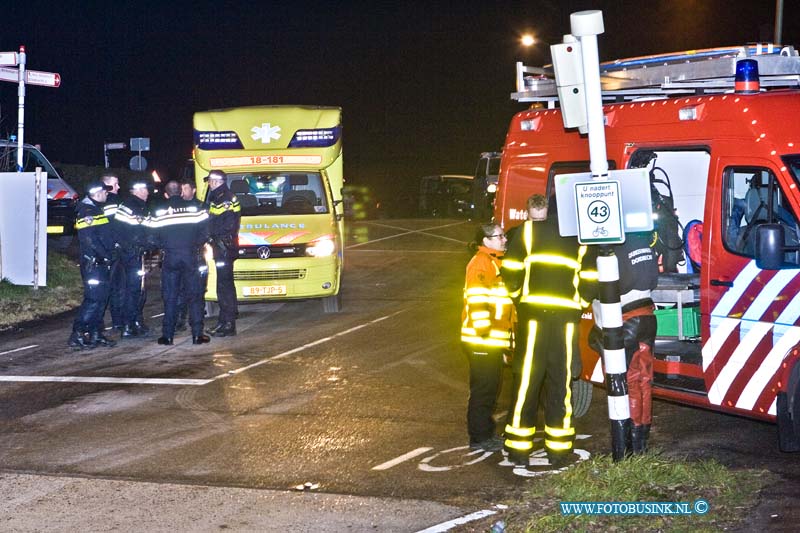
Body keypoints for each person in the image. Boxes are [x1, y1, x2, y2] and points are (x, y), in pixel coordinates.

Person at [501, 194, 597, 467]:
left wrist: (520, 297)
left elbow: (510, 270)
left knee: (527, 382)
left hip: (533, 318)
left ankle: (519, 449)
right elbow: (591, 277)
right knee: (561, 383)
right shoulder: (580, 237)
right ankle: (559, 449)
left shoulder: (526, 231)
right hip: (565, 320)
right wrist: (578, 304)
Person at [590, 232, 658, 453]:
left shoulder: (612, 248)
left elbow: (616, 286)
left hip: (625, 319)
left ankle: (627, 442)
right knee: (643, 381)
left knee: (625, 382)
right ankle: (641, 442)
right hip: (647, 317)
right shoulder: (643, 243)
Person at [461, 223, 514, 452]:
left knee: (491, 388)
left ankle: (485, 434)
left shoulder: (495, 261)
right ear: (485, 241)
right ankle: (480, 438)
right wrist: (484, 333)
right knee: (484, 389)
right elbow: (477, 299)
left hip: (491, 339)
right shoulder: (482, 263)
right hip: (481, 338)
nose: (504, 239)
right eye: (499, 236)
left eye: (503, 235)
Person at [149, 180, 210, 345]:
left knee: (170, 297)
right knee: (195, 296)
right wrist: (195, 245)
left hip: (170, 258)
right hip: (191, 256)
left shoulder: (159, 211)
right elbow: (206, 231)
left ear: (166, 194)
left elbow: (152, 237)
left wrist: (164, 246)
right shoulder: (195, 209)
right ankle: (197, 335)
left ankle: (167, 336)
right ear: (181, 193)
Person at [68, 181, 117, 349]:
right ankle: (77, 334)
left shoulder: (96, 209)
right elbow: (90, 241)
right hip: (93, 264)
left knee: (102, 299)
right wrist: (106, 255)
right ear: (96, 193)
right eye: (105, 191)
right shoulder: (87, 212)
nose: (107, 194)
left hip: (101, 264)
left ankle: (96, 334)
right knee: (93, 300)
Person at [113, 179, 152, 338]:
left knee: (136, 290)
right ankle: (129, 325)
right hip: (132, 254)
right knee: (134, 290)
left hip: (131, 254)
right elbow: (140, 232)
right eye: (145, 190)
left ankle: (135, 321)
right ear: (137, 191)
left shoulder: (132, 206)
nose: (148, 193)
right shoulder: (134, 208)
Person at [205, 170, 241, 337]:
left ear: (215, 181)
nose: (208, 184)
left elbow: (226, 225)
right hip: (223, 247)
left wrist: (211, 236)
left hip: (223, 248)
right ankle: (226, 320)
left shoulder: (224, 199)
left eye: (210, 181)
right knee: (225, 285)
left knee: (224, 286)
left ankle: (227, 324)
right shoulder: (220, 197)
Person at [175, 179, 203, 331]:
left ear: (193, 190)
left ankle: (196, 319)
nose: (183, 192)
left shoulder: (202, 206)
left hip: (196, 253)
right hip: (180, 254)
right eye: (181, 189)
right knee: (180, 289)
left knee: (196, 289)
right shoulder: (177, 208)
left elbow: (205, 230)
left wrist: (195, 244)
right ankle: (180, 318)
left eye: (186, 188)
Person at [101, 173, 125, 331]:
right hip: (115, 250)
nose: (118, 187)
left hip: (103, 251)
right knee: (117, 287)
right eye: (115, 184)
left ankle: (99, 324)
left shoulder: (98, 203)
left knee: (104, 288)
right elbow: (118, 226)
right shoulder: (115, 202)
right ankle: (118, 322)